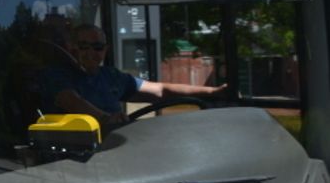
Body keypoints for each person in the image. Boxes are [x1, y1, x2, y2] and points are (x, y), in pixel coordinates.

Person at [46, 23, 225, 127]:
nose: (90, 52)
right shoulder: (57, 74)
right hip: (73, 155)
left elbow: (160, 90)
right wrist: (106, 119)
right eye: (83, 46)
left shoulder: (111, 76)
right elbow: (72, 101)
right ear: (72, 47)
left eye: (97, 47)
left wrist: (213, 92)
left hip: (112, 150)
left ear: (105, 50)